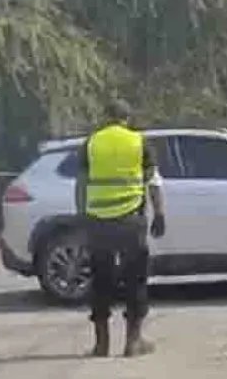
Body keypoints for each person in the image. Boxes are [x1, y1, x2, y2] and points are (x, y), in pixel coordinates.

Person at [76, 99, 166, 358]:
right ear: (127, 118)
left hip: (98, 221)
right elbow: (154, 181)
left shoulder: (91, 143)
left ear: (105, 117)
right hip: (130, 220)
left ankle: (101, 344)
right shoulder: (138, 142)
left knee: (100, 279)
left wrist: (83, 217)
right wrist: (159, 212)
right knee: (135, 279)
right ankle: (133, 342)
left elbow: (81, 185)